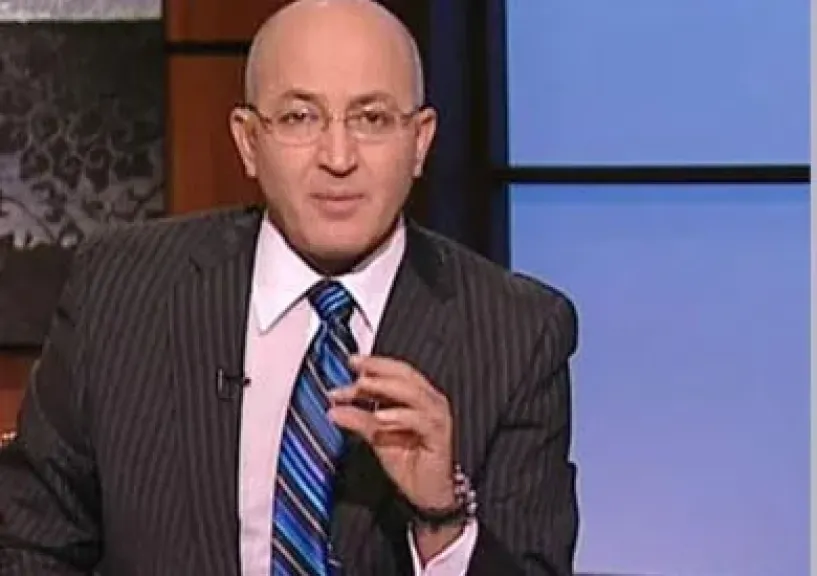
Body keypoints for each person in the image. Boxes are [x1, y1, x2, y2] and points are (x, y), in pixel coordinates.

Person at [0, 0, 579, 574]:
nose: (338, 157)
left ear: (420, 141)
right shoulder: (121, 291)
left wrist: (441, 519)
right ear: (249, 141)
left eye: (372, 118)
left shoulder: (517, 334)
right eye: (301, 117)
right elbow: (31, 545)